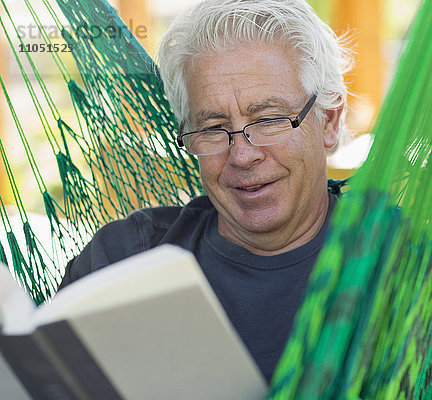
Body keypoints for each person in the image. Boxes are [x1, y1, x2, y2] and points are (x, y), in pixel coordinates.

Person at [58, 0, 351, 382]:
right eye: (213, 128)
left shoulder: (404, 268)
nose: (242, 155)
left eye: (268, 120)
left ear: (328, 120)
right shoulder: (122, 260)